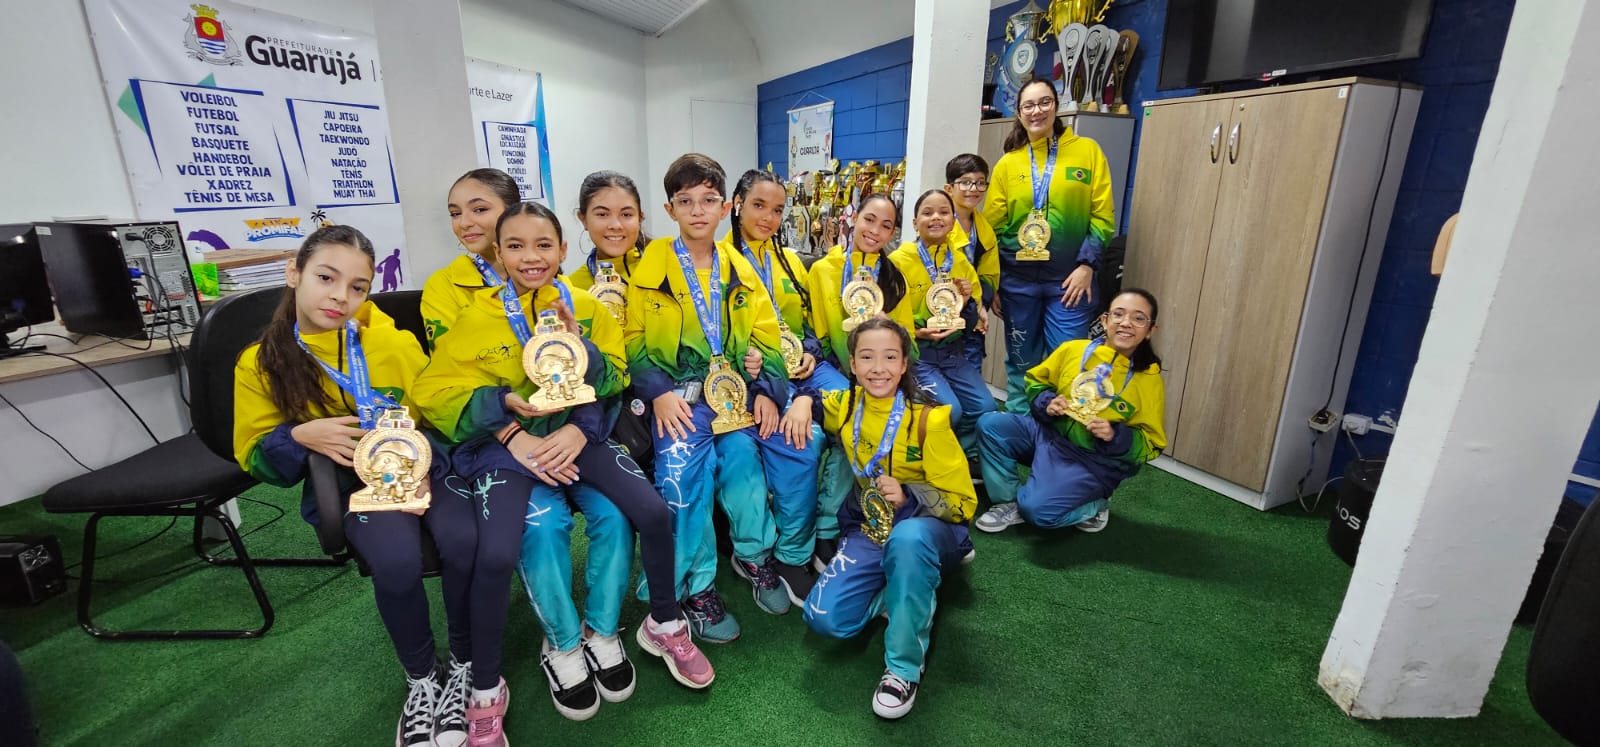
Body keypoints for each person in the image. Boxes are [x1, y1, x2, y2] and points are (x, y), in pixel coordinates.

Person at [413, 202, 714, 722]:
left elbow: (616, 377)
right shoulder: (475, 317)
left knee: (646, 511)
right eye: (515, 246)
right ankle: (554, 649)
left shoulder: (588, 306)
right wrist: (504, 414)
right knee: (514, 542)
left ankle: (641, 626)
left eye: (543, 245)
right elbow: (433, 393)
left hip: (580, 437)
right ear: (499, 253)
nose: (531, 257)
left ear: (561, 248)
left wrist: (583, 365)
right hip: (507, 450)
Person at [232, 225, 478, 747]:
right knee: (396, 561)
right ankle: (422, 677)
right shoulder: (260, 363)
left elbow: (438, 407)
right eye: (326, 278)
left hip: (425, 465)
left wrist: (429, 453)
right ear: (294, 273)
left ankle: (462, 665)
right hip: (355, 481)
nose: (340, 296)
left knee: (464, 541)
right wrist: (298, 436)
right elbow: (254, 457)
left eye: (358, 286)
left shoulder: (391, 342)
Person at [623, 153, 792, 643]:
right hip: (677, 401)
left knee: (743, 464)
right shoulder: (652, 264)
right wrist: (657, 392)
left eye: (708, 200)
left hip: (733, 397)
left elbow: (766, 334)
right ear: (669, 209)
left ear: (726, 207)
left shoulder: (739, 266)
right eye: (685, 201)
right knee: (683, 482)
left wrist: (767, 390)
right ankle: (694, 588)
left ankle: (753, 556)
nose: (698, 210)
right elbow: (632, 338)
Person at [790, 316, 976, 720]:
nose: (878, 368)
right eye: (867, 357)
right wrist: (803, 399)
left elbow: (963, 504)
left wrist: (910, 494)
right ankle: (905, 591)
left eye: (890, 357)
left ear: (905, 363)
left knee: (908, 542)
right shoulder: (845, 405)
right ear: (852, 364)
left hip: (927, 528)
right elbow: (815, 397)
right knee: (823, 618)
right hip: (871, 524)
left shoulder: (929, 419)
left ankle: (903, 670)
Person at [722, 168, 837, 609]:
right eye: (758, 206)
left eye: (776, 210)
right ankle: (792, 554)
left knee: (858, 409)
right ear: (736, 206)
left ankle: (828, 528)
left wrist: (809, 351)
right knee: (801, 442)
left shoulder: (788, 259)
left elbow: (804, 323)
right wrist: (767, 389)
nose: (768, 218)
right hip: (752, 379)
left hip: (800, 369)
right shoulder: (719, 261)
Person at [975, 289, 1167, 533]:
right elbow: (1036, 381)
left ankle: (1095, 504)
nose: (1126, 323)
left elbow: (1151, 443)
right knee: (991, 425)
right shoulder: (1074, 350)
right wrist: (1047, 402)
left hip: (1092, 461)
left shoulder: (1148, 379)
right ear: (1104, 320)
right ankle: (1009, 502)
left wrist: (1114, 435)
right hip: (1049, 436)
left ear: (1150, 330)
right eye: (1118, 314)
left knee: (1038, 512)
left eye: (1139, 318)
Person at [984, 78, 1116, 412]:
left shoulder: (1087, 152)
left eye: (1044, 102)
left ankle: (1058, 435)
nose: (1037, 111)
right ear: (1019, 113)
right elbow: (992, 229)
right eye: (1028, 105)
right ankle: (1021, 425)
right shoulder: (1008, 164)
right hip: (1017, 283)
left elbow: (1102, 217)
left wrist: (1087, 266)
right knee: (1021, 364)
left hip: (1070, 282)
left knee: (1069, 363)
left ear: (1056, 106)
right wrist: (994, 282)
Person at [803, 193, 913, 567]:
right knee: (851, 420)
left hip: (882, 376)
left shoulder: (894, 277)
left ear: (893, 233)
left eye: (886, 226)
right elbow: (817, 336)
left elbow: (906, 341)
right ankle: (826, 526)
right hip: (836, 370)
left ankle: (879, 510)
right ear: (854, 219)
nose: (875, 231)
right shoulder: (823, 270)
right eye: (869, 220)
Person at [891, 189, 996, 454]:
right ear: (915, 222)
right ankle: (925, 456)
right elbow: (888, 316)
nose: (936, 218)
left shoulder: (960, 261)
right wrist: (917, 332)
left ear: (953, 221)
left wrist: (967, 301)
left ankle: (957, 453)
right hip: (916, 354)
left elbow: (971, 320)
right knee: (951, 410)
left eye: (944, 212)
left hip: (951, 352)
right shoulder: (898, 262)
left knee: (985, 407)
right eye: (927, 213)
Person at [567, 171, 654, 474]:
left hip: (668, 398)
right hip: (608, 410)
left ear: (640, 217)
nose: (615, 225)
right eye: (602, 214)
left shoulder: (662, 268)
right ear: (582, 218)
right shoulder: (570, 289)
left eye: (626, 214)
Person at [423, 168, 520, 349]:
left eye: (479, 209)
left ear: (513, 212)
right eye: (455, 213)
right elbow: (450, 356)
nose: (464, 223)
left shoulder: (540, 271)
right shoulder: (443, 285)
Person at [943, 154, 1000, 370]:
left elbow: (989, 274)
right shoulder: (938, 224)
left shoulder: (985, 230)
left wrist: (980, 305)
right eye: (965, 182)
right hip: (941, 310)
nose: (973, 189)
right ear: (949, 188)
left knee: (971, 369)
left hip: (972, 314)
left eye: (980, 182)